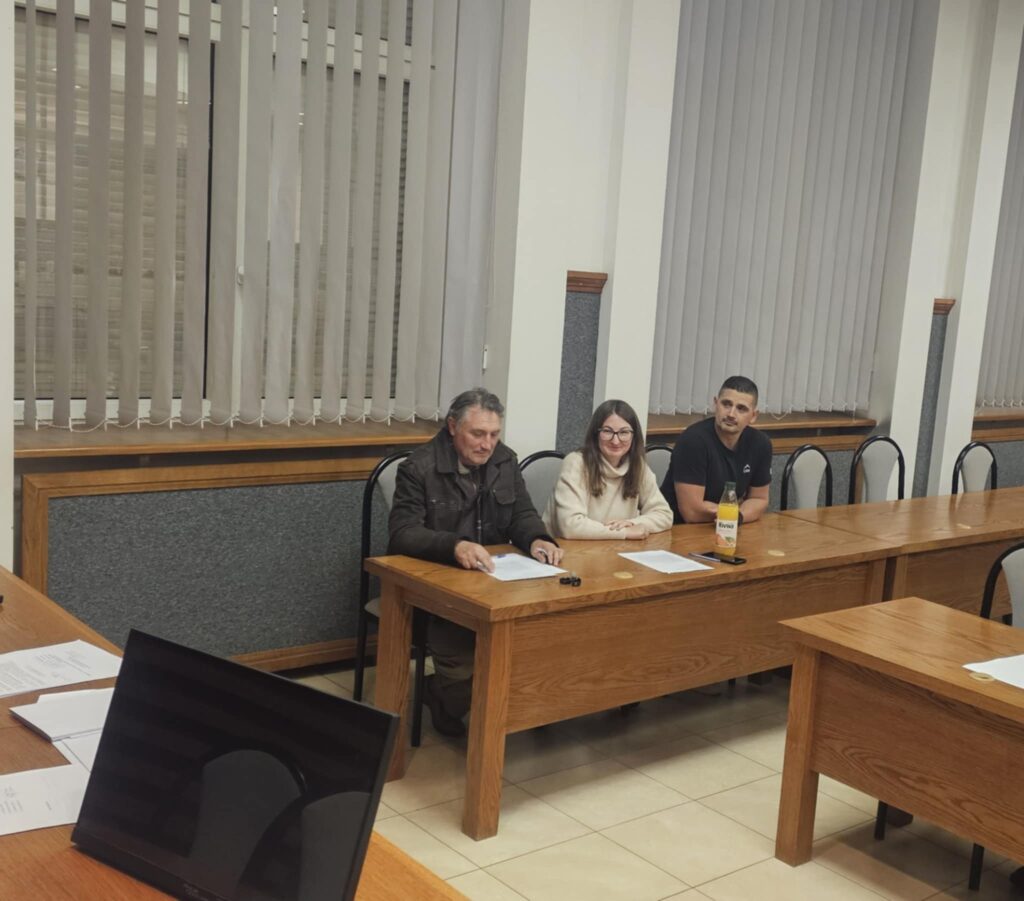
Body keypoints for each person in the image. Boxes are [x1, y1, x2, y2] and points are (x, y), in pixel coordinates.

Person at [388, 388, 562, 737]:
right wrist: (454, 546)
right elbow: (402, 533)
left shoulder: (504, 461)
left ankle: (518, 706)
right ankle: (440, 695)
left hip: (496, 583)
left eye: (494, 435)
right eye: (478, 434)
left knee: (545, 645)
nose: (487, 445)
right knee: (469, 674)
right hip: (441, 590)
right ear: (453, 427)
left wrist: (537, 538)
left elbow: (522, 514)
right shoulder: (419, 467)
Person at [544, 399, 672, 540]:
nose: (615, 441)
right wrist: (624, 533)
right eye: (607, 431)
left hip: (614, 547)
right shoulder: (576, 463)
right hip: (568, 549)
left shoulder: (637, 465)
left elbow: (664, 514)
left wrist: (632, 523)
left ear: (634, 436)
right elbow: (570, 526)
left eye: (624, 432)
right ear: (595, 434)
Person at [660, 375, 772, 524]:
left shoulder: (760, 443)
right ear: (715, 404)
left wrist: (738, 517)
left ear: (753, 416)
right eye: (726, 404)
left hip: (727, 526)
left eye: (741, 409)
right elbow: (692, 512)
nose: (731, 414)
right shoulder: (693, 441)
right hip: (679, 528)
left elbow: (759, 499)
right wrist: (732, 514)